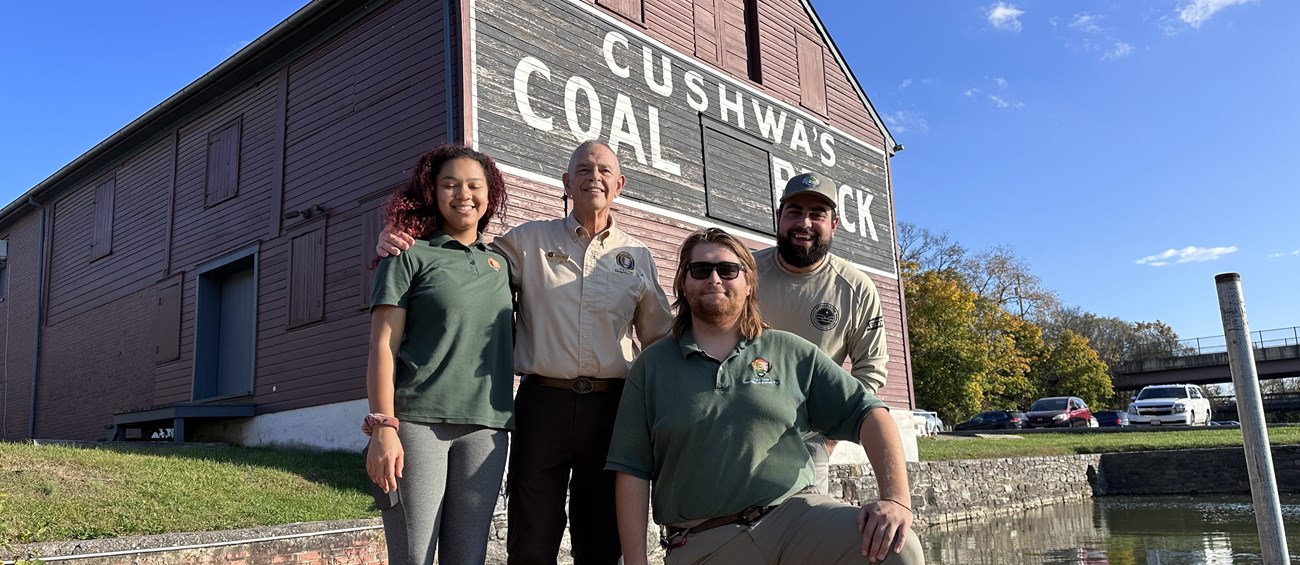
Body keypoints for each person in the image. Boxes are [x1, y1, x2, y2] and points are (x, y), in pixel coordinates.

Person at [376, 140, 674, 565]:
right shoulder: (526, 242)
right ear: (566, 182)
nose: (595, 177)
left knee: (600, 537)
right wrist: (402, 236)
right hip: (542, 403)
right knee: (532, 534)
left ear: (620, 184)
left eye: (605, 171)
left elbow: (658, 341)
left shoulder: (638, 256)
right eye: (584, 170)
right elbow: (462, 266)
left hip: (611, 409)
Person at [606, 228, 924, 565]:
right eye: (700, 270)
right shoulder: (650, 366)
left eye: (728, 270)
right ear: (683, 284)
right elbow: (632, 472)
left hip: (796, 519)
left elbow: (871, 415)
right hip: (705, 539)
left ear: (749, 283)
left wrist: (897, 500)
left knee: (896, 548)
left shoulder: (792, 351)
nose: (714, 278)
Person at [364, 144, 515, 564]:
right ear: (433, 192)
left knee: (467, 559)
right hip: (416, 424)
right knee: (414, 556)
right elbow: (382, 346)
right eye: (449, 184)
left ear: (490, 193)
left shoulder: (503, 264)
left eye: (474, 185)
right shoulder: (406, 254)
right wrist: (383, 427)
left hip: (487, 429)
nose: (463, 194)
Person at [758, 172, 890, 494]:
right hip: (736, 433)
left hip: (809, 442)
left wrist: (830, 436)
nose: (804, 223)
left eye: (817, 214)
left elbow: (871, 369)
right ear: (778, 218)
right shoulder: (743, 273)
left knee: (805, 538)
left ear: (834, 224)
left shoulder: (856, 287)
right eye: (794, 212)